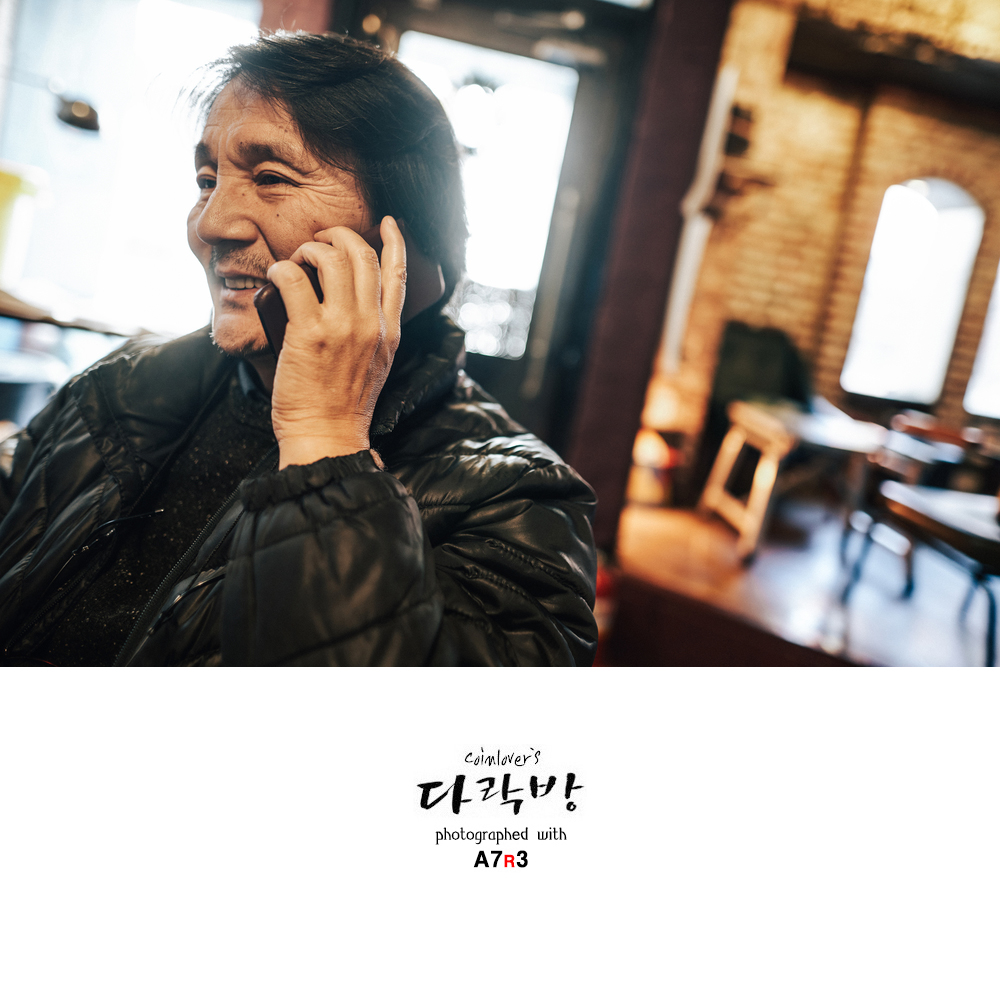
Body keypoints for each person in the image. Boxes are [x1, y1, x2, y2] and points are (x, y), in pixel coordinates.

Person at [0, 32, 598, 666]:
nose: (211, 224)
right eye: (207, 180)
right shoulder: (116, 389)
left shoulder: (518, 501)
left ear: (410, 246)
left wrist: (325, 439)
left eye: (271, 178)